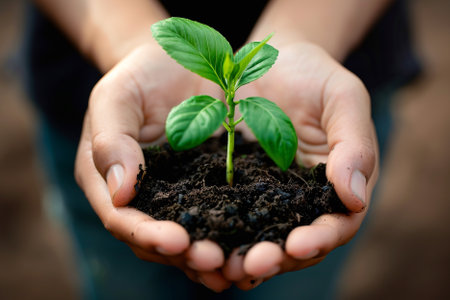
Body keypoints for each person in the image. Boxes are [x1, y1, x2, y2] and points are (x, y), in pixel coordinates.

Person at [24, 0, 420, 298]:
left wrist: (307, 32)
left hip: (341, 53)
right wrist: (129, 41)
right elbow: (180, 136)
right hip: (89, 83)